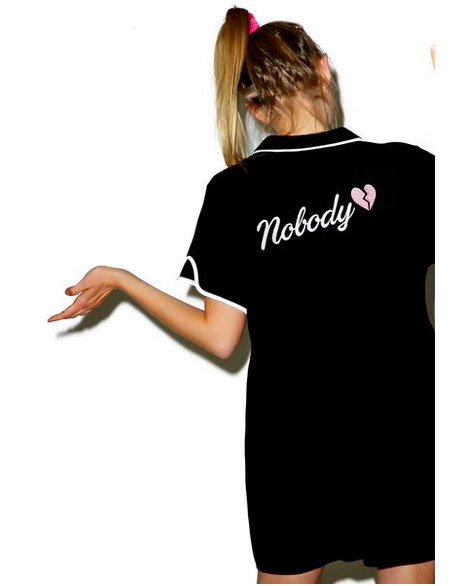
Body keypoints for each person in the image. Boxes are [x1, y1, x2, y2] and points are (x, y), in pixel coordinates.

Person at [47, 7, 435, 585]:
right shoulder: (411, 170)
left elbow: (219, 336)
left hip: (291, 445)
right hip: (402, 430)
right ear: (324, 68)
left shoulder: (234, 193)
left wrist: (125, 280)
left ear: (253, 106)